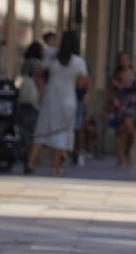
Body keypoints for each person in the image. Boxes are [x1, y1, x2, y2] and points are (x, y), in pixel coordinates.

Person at [28, 30, 90, 175]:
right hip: (68, 99)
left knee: (42, 130)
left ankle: (30, 162)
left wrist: (41, 88)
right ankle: (55, 166)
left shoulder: (52, 58)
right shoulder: (79, 62)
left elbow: (39, 74)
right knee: (62, 131)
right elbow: (82, 84)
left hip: (51, 98)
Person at [107, 52, 136, 168]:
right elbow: (110, 91)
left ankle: (128, 151)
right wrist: (106, 108)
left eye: (126, 59)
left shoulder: (135, 76)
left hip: (131, 105)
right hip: (117, 105)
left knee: (130, 130)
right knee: (119, 132)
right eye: (121, 59)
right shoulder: (115, 75)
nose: (123, 62)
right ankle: (120, 158)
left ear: (130, 61)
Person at [15, 42, 45, 172]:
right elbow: (38, 80)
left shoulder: (25, 62)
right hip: (32, 98)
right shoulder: (37, 63)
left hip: (23, 97)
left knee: (23, 125)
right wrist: (41, 94)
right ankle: (27, 156)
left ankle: (22, 149)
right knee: (31, 128)